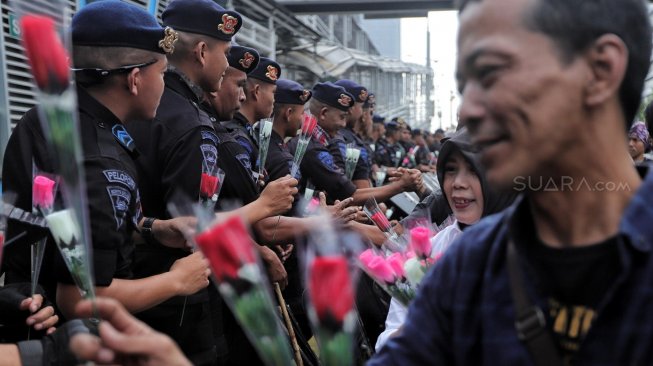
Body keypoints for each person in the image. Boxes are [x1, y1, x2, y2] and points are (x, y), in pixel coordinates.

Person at [369, 0, 652, 364]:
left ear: (599, 71)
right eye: (466, 83)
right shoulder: (469, 263)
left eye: (491, 73)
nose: (468, 110)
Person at [3, 0, 212, 328]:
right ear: (134, 79)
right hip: (70, 339)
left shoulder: (45, 120)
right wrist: (177, 281)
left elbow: (74, 229)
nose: (163, 85)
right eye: (161, 73)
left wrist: (154, 230)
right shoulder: (100, 163)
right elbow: (80, 300)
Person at [375, 128, 515, 350]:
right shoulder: (428, 250)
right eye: (450, 170)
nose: (458, 183)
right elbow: (387, 341)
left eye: (473, 170)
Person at [290, 82, 422, 205]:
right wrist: (400, 186)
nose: (343, 124)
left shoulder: (320, 141)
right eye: (342, 117)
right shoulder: (312, 146)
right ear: (323, 113)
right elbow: (348, 194)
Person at [223, 57, 281, 179]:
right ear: (257, 91)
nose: (274, 101)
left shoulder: (247, 133)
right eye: (273, 93)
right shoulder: (238, 136)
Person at [334, 79, 373, 188]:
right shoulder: (347, 140)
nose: (362, 113)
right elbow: (361, 188)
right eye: (360, 107)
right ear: (350, 108)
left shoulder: (348, 137)